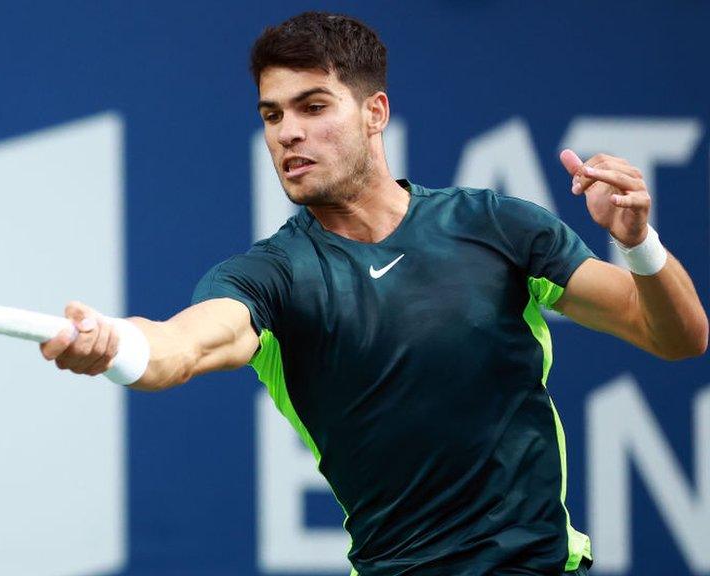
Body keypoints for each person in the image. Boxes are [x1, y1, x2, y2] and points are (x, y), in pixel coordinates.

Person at [39, 11, 708, 576]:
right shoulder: (272, 276)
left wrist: (640, 245)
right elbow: (175, 348)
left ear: (374, 113)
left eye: (313, 106)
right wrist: (115, 345)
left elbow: (677, 338)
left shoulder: (496, 226)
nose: (287, 133)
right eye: (272, 115)